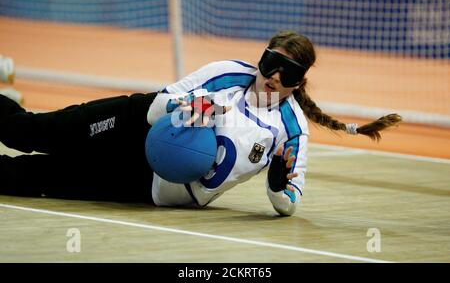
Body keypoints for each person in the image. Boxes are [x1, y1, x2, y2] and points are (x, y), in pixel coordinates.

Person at [0, 31, 401, 216]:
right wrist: (197, 109)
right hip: (135, 124)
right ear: (260, 59)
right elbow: (159, 106)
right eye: (270, 63)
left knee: (34, 179)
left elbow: (288, 205)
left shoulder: (292, 130)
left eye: (288, 73)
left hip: (150, 187)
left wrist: (278, 180)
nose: (275, 76)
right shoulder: (226, 74)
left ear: (300, 82)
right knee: (31, 132)